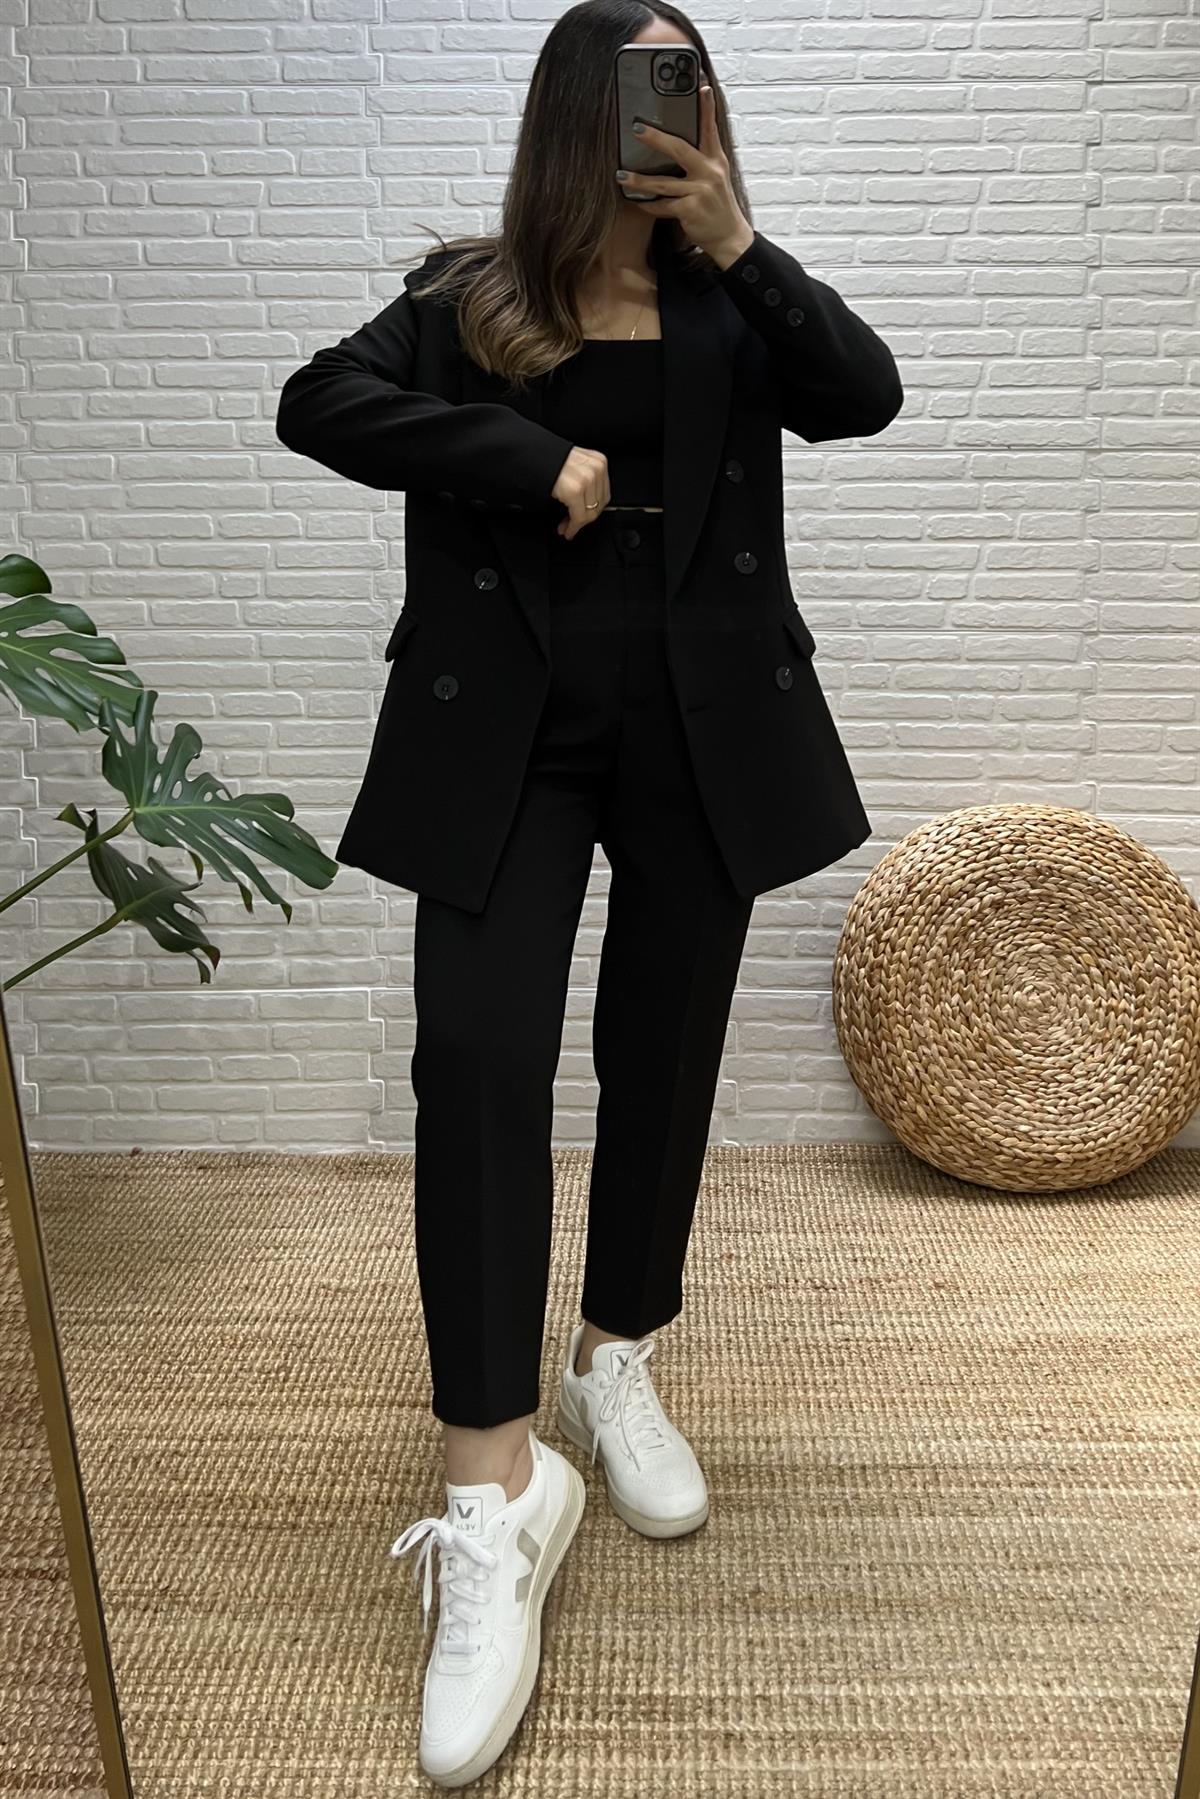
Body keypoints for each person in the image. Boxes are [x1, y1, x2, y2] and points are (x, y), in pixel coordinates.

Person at [274, 2, 902, 1784]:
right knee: (477, 1059)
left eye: (691, 82)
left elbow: (865, 395)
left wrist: (742, 239)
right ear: (579, 113)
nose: (672, 109)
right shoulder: (472, 296)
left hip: (707, 728)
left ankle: (614, 1355)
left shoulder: (733, 297)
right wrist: (523, 456)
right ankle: (493, 1489)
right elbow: (319, 403)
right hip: (510, 734)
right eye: (642, 84)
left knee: (662, 1050)